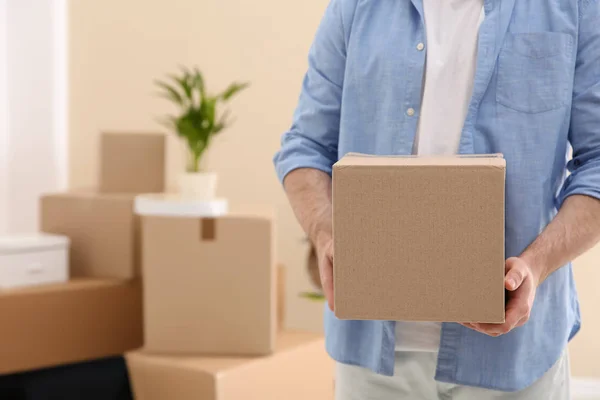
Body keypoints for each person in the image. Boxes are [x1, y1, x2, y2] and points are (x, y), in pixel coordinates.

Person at [273, 0, 600, 398]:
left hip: (514, 354)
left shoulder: (577, 8)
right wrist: (326, 233)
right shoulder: (356, 7)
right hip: (373, 357)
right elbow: (304, 146)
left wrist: (537, 264)